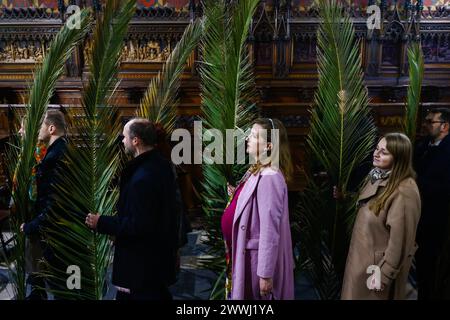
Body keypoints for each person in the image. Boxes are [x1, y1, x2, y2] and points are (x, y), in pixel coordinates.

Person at [85, 118, 179, 300]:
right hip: (157, 259)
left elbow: (139, 225)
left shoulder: (143, 177)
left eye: (124, 137)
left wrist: (101, 222)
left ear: (135, 140)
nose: (122, 141)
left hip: (142, 265)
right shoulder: (162, 165)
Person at [341, 133, 421, 300]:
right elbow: (370, 208)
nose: (376, 154)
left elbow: (401, 242)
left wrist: (384, 275)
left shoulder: (405, 191)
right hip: (360, 263)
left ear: (399, 157)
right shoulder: (376, 175)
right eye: (377, 149)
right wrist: (345, 197)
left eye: (384, 152)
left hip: (375, 271)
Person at [222, 118, 295, 300]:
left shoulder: (270, 177)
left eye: (254, 136)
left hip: (255, 261)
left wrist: (265, 274)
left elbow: (270, 230)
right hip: (246, 253)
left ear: (268, 146)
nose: (248, 138)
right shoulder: (259, 169)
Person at [20, 110, 67, 299]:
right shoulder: (58, 150)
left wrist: (33, 225)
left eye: (39, 126)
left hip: (51, 228)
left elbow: (54, 202)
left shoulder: (55, 155)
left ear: (51, 128)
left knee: (60, 285)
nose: (36, 131)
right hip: (50, 225)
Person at [414, 108, 450, 299]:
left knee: (434, 266)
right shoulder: (423, 144)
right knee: (422, 265)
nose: (425, 125)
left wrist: (418, 183)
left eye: (430, 122)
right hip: (420, 215)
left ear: (444, 126)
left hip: (439, 217)